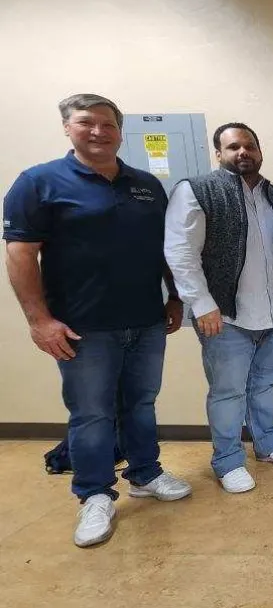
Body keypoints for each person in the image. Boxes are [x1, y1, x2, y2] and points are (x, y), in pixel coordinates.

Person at [3, 93, 192, 548]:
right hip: (83, 327)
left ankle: (146, 473)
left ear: (120, 131)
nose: (98, 132)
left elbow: (165, 248)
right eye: (86, 123)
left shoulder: (145, 184)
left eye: (108, 124)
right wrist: (38, 320)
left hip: (146, 320)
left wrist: (175, 298)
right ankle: (94, 494)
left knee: (141, 403)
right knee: (91, 413)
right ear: (68, 127)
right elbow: (21, 253)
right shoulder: (39, 182)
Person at [164, 122, 273, 494]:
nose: (243, 152)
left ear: (259, 151)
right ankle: (228, 460)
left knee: (266, 384)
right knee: (227, 393)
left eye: (249, 146)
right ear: (219, 153)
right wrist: (202, 303)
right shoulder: (198, 190)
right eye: (233, 147)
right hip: (224, 316)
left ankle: (269, 444)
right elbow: (180, 252)